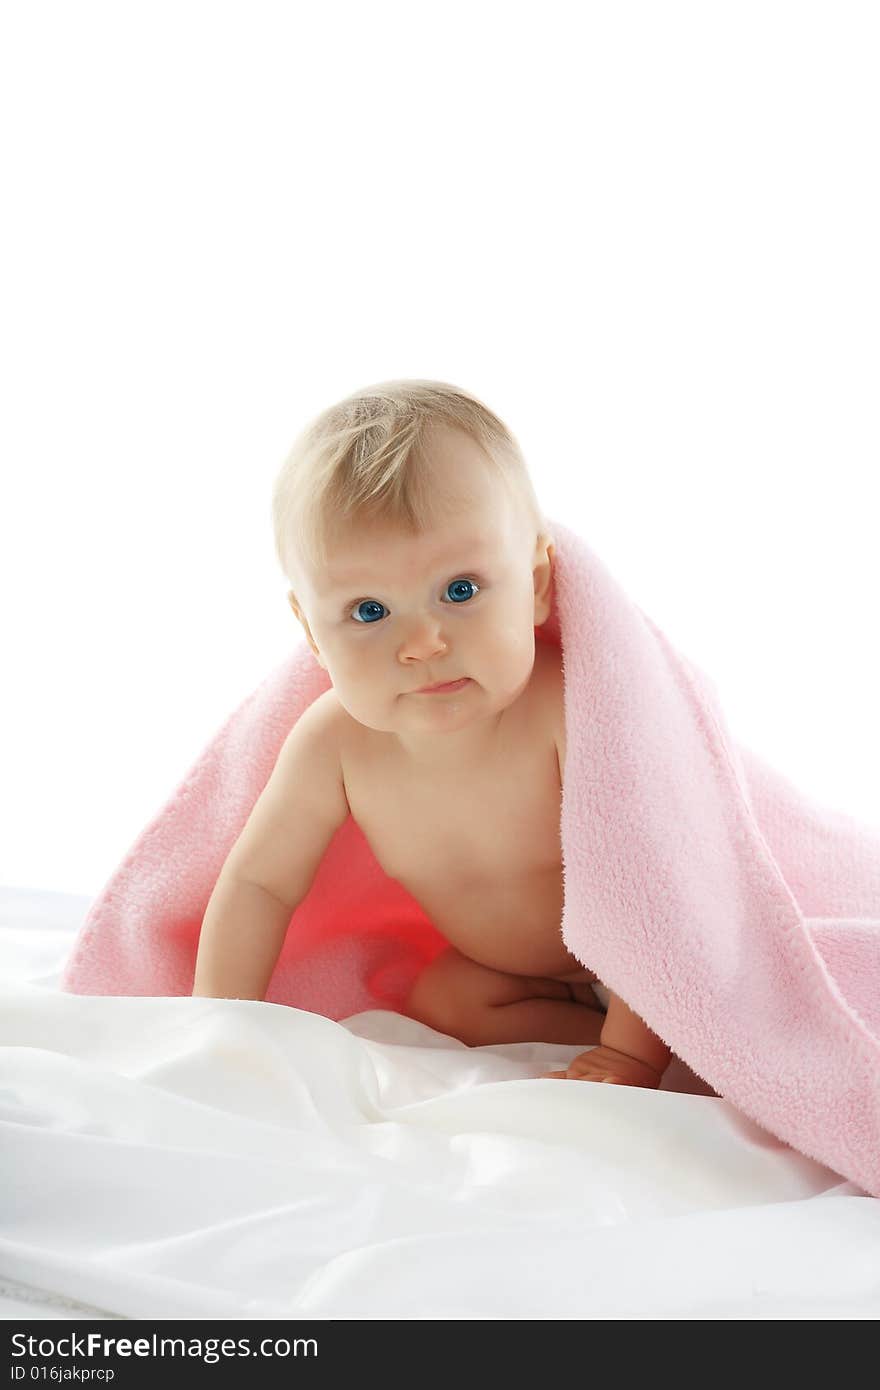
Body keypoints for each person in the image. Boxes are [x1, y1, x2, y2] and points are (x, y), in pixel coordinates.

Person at [192, 380, 671, 1089]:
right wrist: (219, 1020)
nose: (422, 643)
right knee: (442, 1001)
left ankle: (655, 1042)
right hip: (518, 977)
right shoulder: (335, 745)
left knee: (689, 993)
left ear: (537, 583)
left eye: (460, 590)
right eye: (368, 610)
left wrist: (632, 1053)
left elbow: (652, 888)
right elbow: (260, 882)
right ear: (312, 634)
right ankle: (608, 1040)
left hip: (647, 960)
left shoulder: (567, 715)